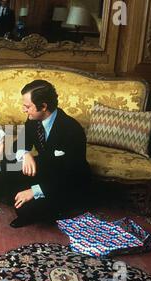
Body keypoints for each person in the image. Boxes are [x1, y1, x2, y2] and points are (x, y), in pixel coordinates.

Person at [9, 80, 91, 228]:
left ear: (44, 106)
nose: (23, 110)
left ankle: (44, 208)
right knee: (8, 163)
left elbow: (70, 173)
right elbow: (19, 144)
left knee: (34, 210)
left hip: (68, 179)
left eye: (27, 106)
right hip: (47, 169)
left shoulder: (72, 129)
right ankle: (24, 201)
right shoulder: (33, 119)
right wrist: (26, 154)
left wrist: (34, 191)